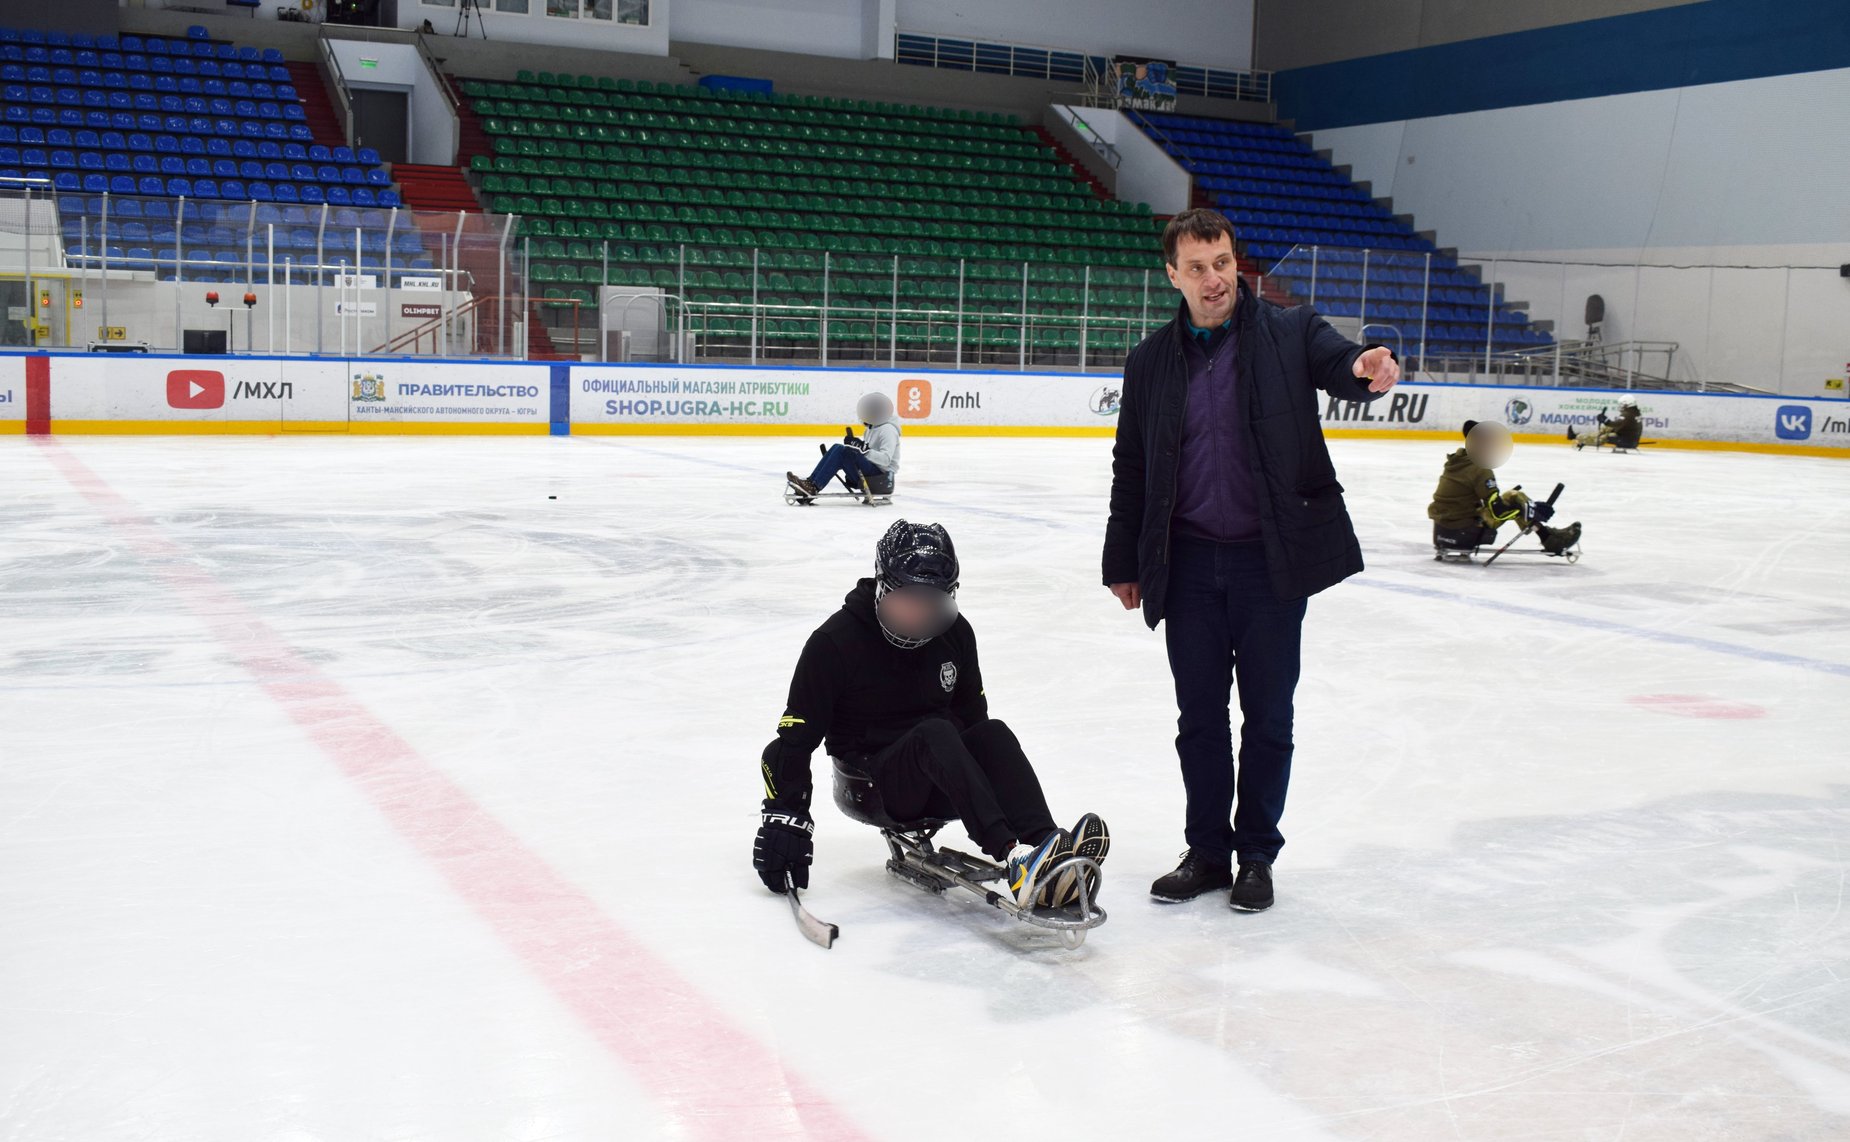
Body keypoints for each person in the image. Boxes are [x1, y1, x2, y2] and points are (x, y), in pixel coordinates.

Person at [1101, 208, 1401, 914]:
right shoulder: (1150, 361)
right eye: (1197, 268)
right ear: (1172, 275)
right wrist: (1123, 558)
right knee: (1200, 719)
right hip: (1188, 564)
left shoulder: (1289, 332)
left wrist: (1364, 364)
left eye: (1223, 263)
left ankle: (1256, 856)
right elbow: (1132, 464)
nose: (1214, 280)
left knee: (1268, 718)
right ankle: (1208, 851)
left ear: (1237, 263)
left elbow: (1340, 363)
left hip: (1269, 564)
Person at [754, 520, 1110, 909]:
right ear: (882, 586)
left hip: (937, 775)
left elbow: (974, 726)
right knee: (935, 732)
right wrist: (785, 820)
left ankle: (1046, 852)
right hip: (872, 785)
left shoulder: (956, 634)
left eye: (933, 601)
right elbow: (791, 744)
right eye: (908, 597)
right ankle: (1013, 857)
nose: (919, 611)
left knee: (993, 734)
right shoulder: (835, 642)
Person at [1429, 420, 1582, 554]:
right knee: (1515, 497)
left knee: (1513, 498)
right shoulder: (1480, 468)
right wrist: (1528, 508)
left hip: (1443, 526)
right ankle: (1549, 539)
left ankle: (1547, 535)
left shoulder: (1457, 462)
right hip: (1463, 529)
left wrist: (1526, 507)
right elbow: (1498, 512)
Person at [787, 392, 900, 503]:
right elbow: (866, 453)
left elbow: (885, 460)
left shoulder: (888, 430)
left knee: (842, 452)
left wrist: (862, 449)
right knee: (838, 447)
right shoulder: (871, 429)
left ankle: (813, 487)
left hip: (881, 479)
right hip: (872, 473)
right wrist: (857, 448)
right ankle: (811, 483)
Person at [1567, 395, 1642, 450]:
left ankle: (1577, 437)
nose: (1621, 406)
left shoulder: (1627, 414)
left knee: (1604, 437)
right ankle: (1583, 436)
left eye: (1622, 404)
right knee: (1607, 428)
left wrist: (1606, 420)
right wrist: (1607, 423)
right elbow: (1622, 425)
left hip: (1626, 440)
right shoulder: (1635, 413)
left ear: (1628, 404)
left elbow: (1616, 424)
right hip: (1629, 438)